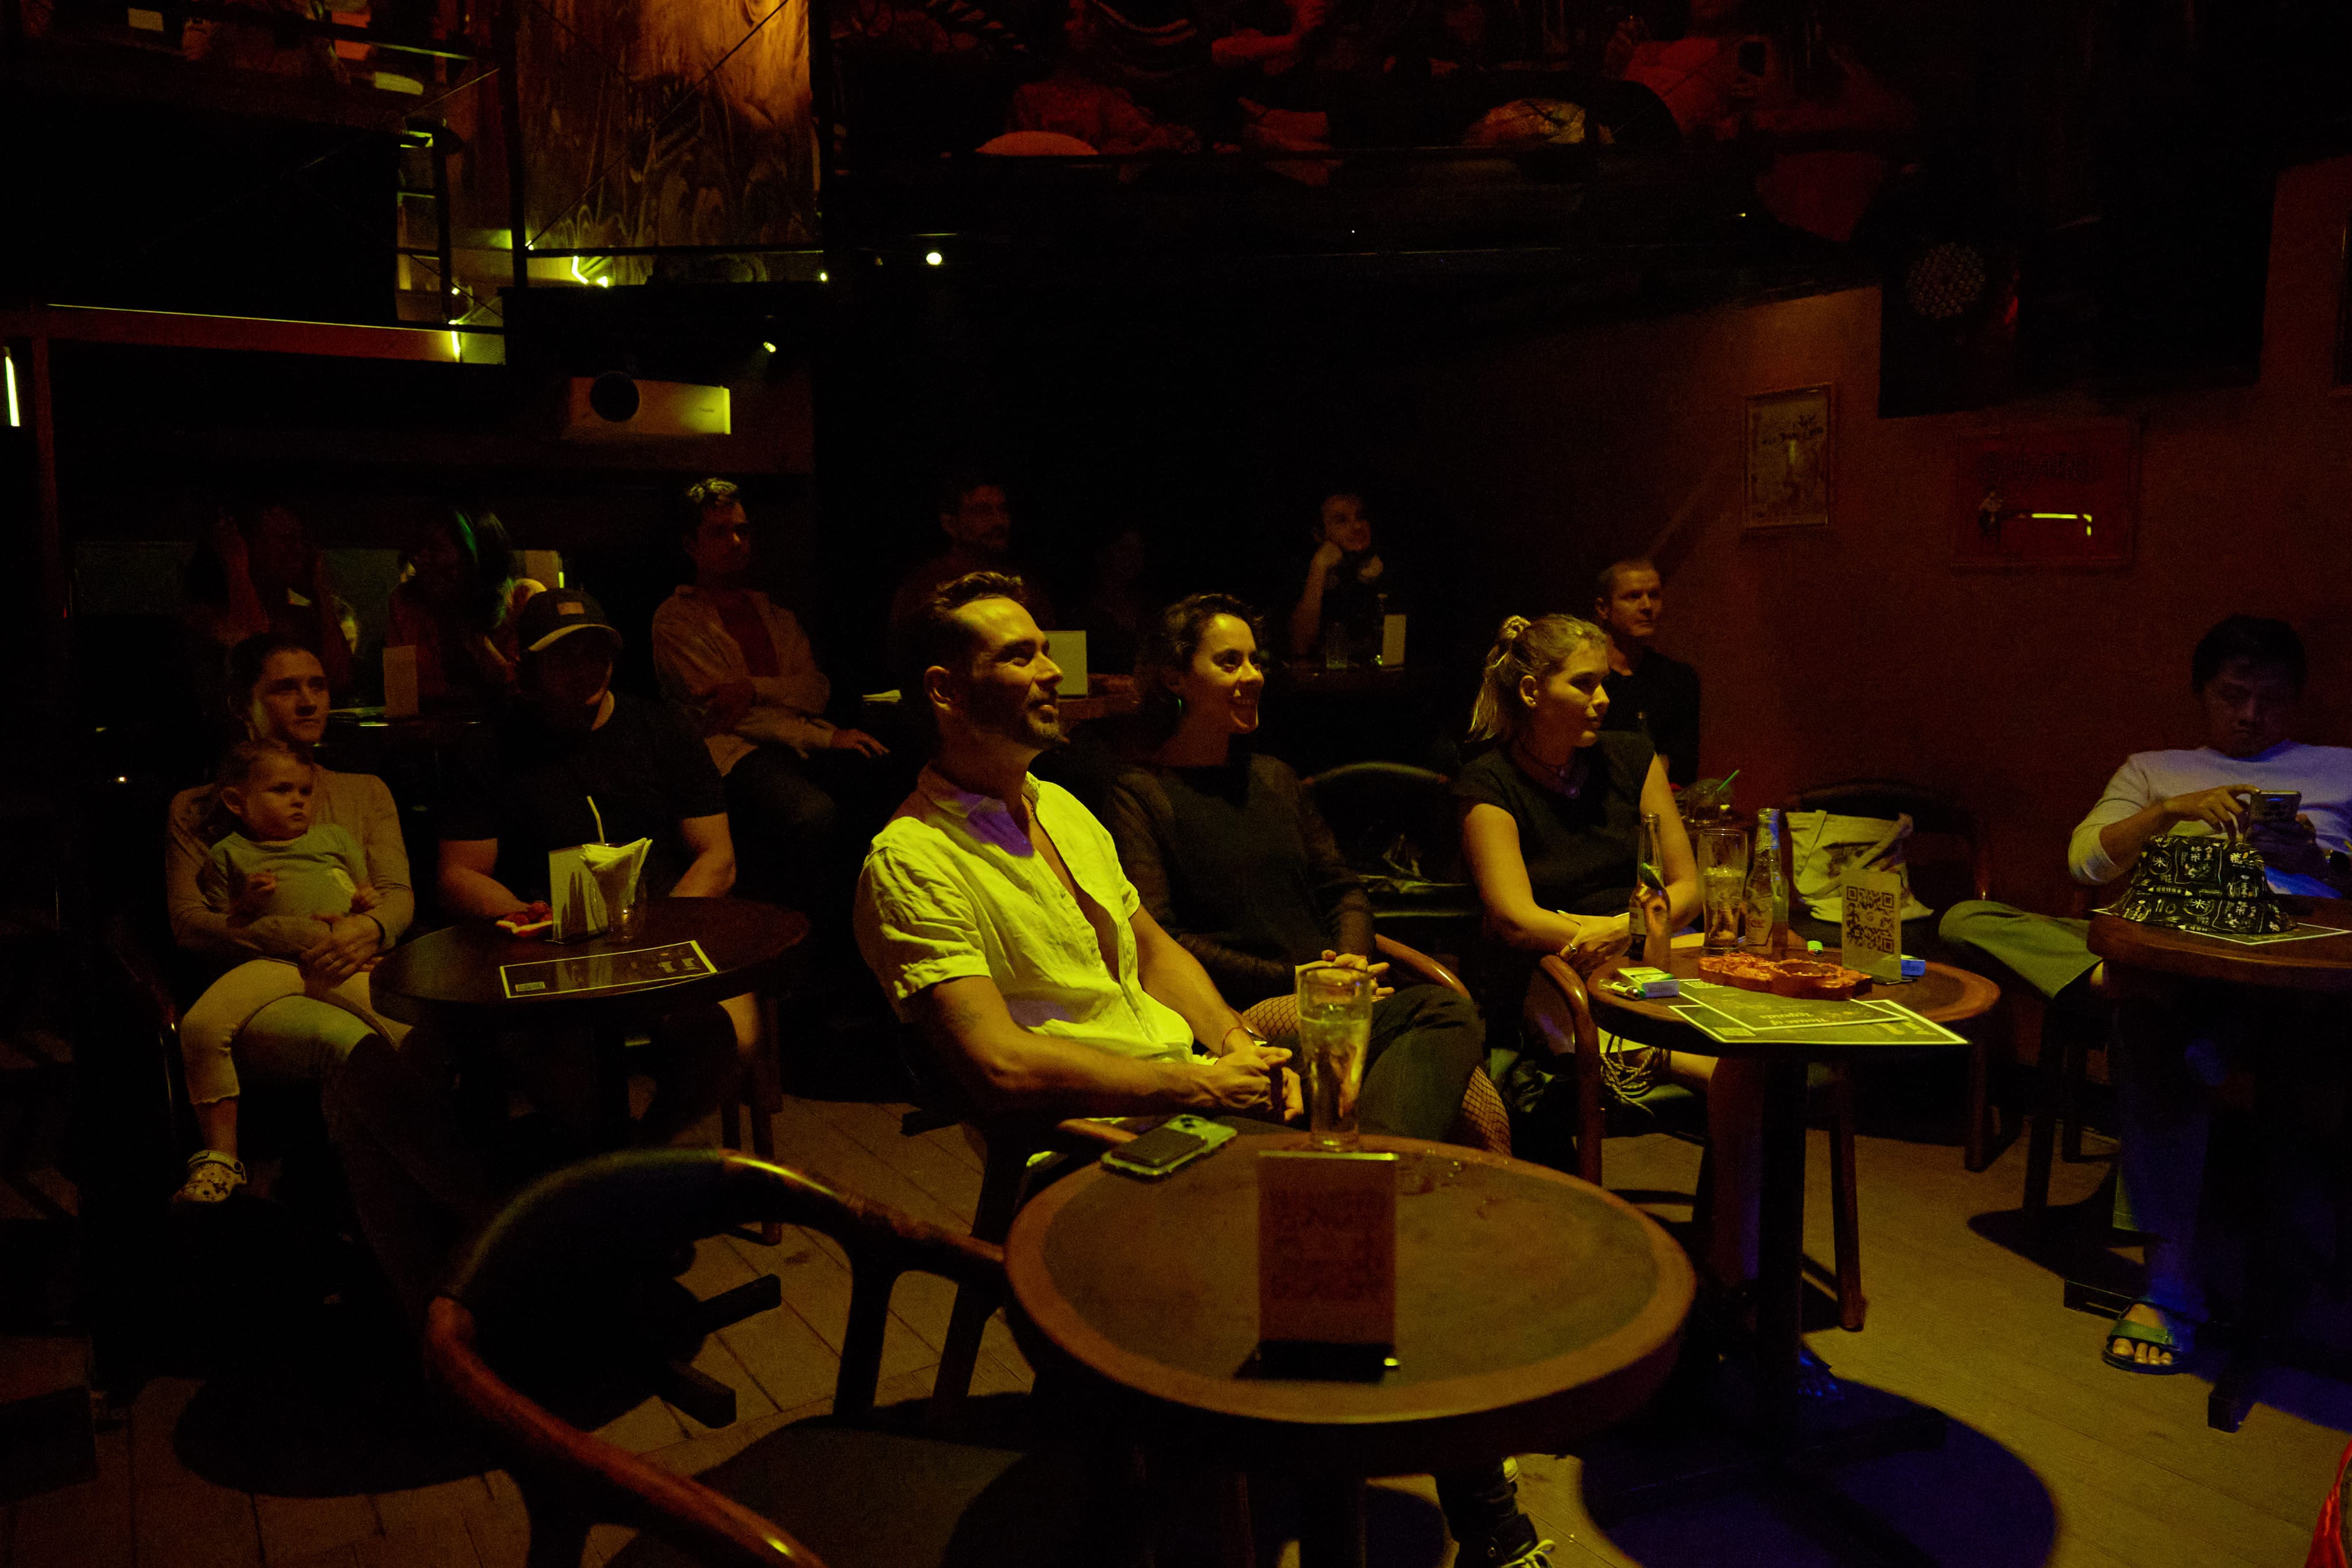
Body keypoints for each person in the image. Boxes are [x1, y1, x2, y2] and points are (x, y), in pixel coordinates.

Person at [1941, 614, 2352, 1373]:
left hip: (2284, 952)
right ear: (2202, 693)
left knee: (2147, 1020)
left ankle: (2168, 1287)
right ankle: (2164, 998)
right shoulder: (2154, 768)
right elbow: (2085, 865)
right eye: (2232, 695)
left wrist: (2315, 860)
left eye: (2269, 699)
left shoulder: (2339, 769)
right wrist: (2169, 812)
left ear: (2294, 700)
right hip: (2156, 932)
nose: (2250, 714)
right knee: (1966, 918)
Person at [164, 632, 492, 1323]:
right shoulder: (202, 806)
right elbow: (190, 922)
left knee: (411, 1051)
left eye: (317, 683)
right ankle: (482, 1221)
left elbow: (397, 895)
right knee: (352, 1048)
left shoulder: (363, 792)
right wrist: (289, 935)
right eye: (285, 687)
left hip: (353, 965)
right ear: (243, 702)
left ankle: (423, 1301)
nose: (310, 699)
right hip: (259, 987)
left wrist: (365, 931)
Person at [1454, 614, 1765, 1302]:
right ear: (1532, 692)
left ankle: (1729, 1262)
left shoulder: (1630, 756)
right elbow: (1513, 915)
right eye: (1584, 684)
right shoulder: (1488, 781)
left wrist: (1623, 930)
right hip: (1553, 966)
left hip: (1640, 947)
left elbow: (1686, 884)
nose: (1602, 700)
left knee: (1751, 1055)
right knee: (1726, 1069)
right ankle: (1727, 1274)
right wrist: (1602, 934)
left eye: (1603, 684)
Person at [1104, 593, 1487, 1143]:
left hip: (1331, 990)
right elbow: (1164, 938)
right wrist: (1304, 980)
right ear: (1174, 679)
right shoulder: (1141, 793)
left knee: (1480, 1107)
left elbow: (1342, 887)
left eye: (1255, 660)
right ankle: (1368, 1169)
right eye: (1229, 662)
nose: (1253, 675)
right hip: (1240, 1010)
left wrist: (1350, 960)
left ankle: (1360, 1167)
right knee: (1444, 1011)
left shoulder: (1275, 777)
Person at [436, 587, 757, 1146]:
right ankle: (606, 1158)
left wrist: (661, 927)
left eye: (596, 651)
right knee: (559, 1064)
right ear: (529, 665)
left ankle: (639, 1151)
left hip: (662, 928)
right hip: (548, 946)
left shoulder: (662, 730)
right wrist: (526, 916)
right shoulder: (492, 748)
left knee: (731, 1036)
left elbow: (718, 856)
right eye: (564, 656)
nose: (584, 667)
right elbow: (458, 873)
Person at [175, 739, 403, 1204]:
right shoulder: (228, 854)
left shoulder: (334, 838)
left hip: (340, 961)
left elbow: (364, 893)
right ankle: (221, 1155)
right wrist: (248, 902)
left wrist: (365, 910)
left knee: (400, 1033)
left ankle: (393, 1150)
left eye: (304, 790)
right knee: (201, 1024)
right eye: (282, 790)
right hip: (271, 964)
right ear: (236, 801)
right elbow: (224, 920)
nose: (299, 800)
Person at [652, 478, 889, 908]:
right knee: (811, 815)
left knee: (883, 780)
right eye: (720, 532)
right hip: (730, 751)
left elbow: (815, 689)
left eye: (742, 530)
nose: (736, 541)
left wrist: (752, 688)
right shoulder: (676, 620)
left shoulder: (776, 614)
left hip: (796, 738)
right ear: (691, 544)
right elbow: (728, 715)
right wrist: (821, 736)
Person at [183, 504, 359, 708]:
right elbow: (254, 659)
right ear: (244, 544)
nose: (298, 549)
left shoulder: (300, 618)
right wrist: (236, 566)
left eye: (301, 540)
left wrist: (321, 592)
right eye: (285, 539)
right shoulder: (208, 617)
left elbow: (340, 679)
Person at [886, 473, 1059, 668]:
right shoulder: (924, 587)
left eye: (1002, 509)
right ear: (950, 524)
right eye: (983, 511)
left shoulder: (1026, 587)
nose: (999, 521)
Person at [384, 505, 539, 715]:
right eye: (417, 547)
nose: (418, 558)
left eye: (435, 547)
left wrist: (471, 632)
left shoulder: (522, 599)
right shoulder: (406, 602)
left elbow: (528, 696)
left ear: (473, 554)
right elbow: (401, 699)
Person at [1591, 557, 1701, 788]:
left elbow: (1683, 764)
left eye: (1654, 595)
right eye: (1633, 597)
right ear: (1603, 609)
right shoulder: (1588, 680)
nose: (1647, 606)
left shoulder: (1678, 679)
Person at [1286, 490, 1390, 661]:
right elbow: (1300, 647)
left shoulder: (1387, 564)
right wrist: (1319, 568)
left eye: (1361, 517)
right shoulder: (1301, 569)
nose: (1358, 527)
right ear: (1319, 534)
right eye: (1341, 520)